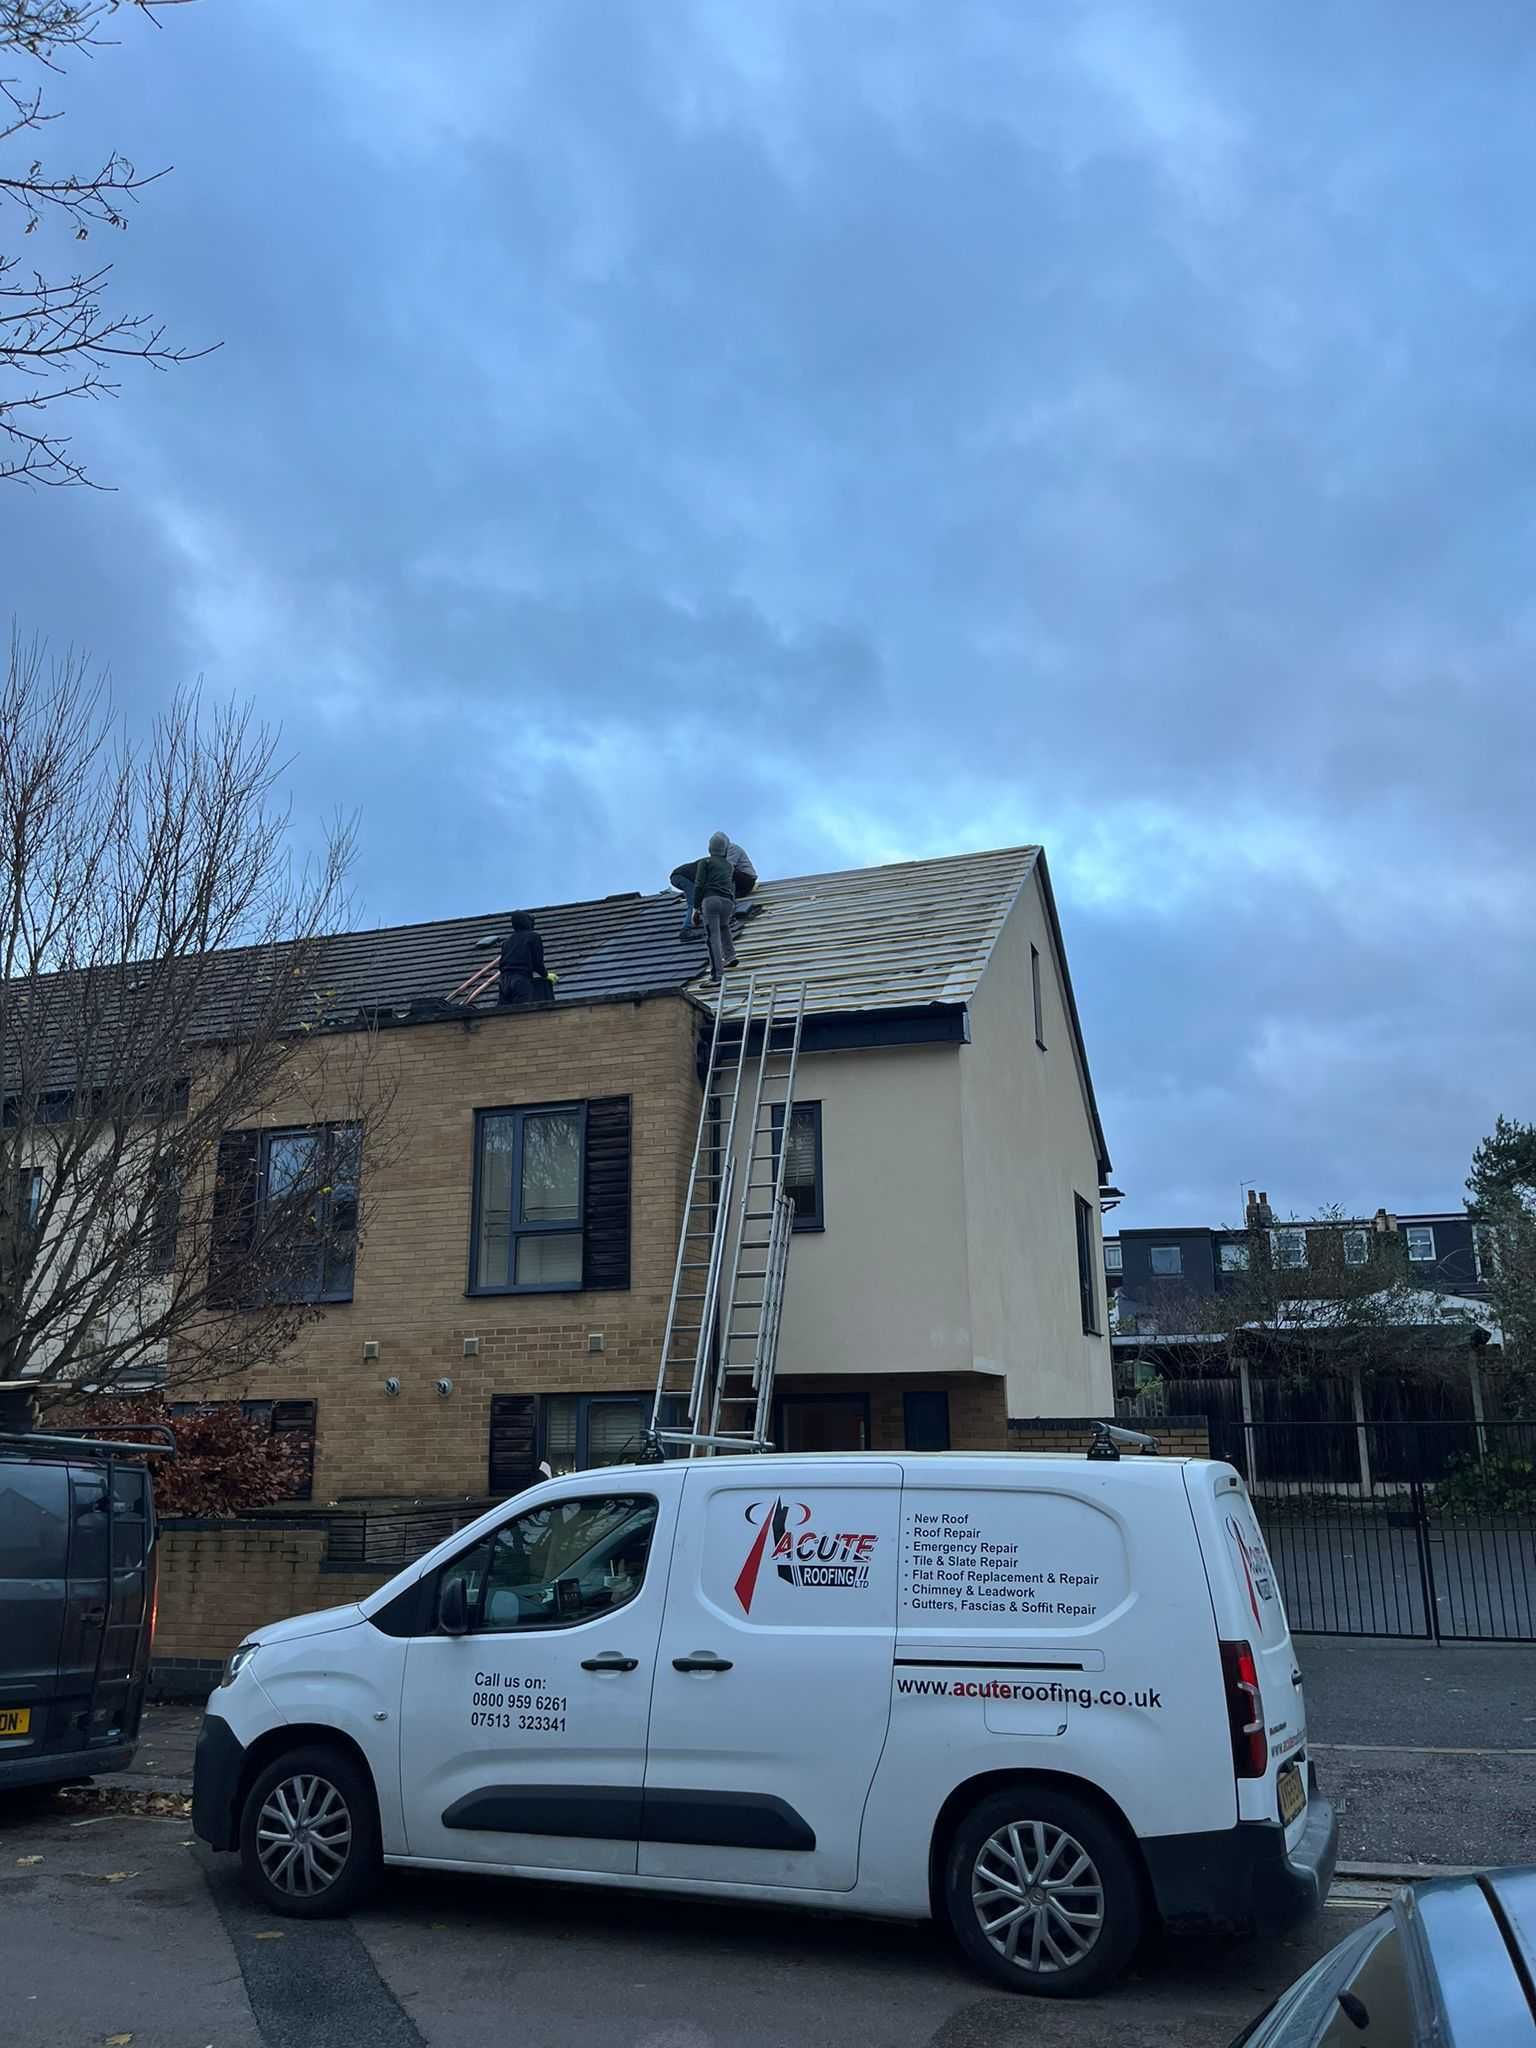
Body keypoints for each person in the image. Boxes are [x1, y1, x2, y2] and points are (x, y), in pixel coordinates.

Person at [673, 837, 757, 940]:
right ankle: (685, 931)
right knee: (693, 900)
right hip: (681, 876)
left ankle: (695, 918)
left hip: (683, 876)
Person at [692, 832, 739, 981]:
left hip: (711, 900)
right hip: (728, 902)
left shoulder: (705, 863)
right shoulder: (729, 866)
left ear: (710, 848)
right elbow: (731, 885)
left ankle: (716, 975)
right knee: (724, 927)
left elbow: (699, 885)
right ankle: (731, 956)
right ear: (724, 849)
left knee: (713, 937)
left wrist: (696, 907)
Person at [497, 912, 551, 1005]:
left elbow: (502, 963)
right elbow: (537, 963)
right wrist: (546, 975)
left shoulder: (506, 941)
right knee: (522, 1011)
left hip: (504, 981)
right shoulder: (533, 936)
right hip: (520, 979)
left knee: (504, 1012)